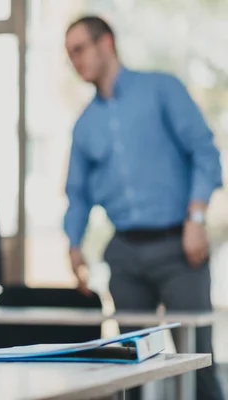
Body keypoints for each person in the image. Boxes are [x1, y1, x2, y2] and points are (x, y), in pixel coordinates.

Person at [63, 16, 224, 400]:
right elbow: (78, 194)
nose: (75, 61)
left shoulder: (161, 89)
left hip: (180, 248)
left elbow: (205, 153)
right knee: (129, 370)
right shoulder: (85, 125)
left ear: (107, 44)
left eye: (80, 49)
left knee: (197, 361)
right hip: (126, 257)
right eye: (69, 55)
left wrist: (197, 218)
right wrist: (73, 244)